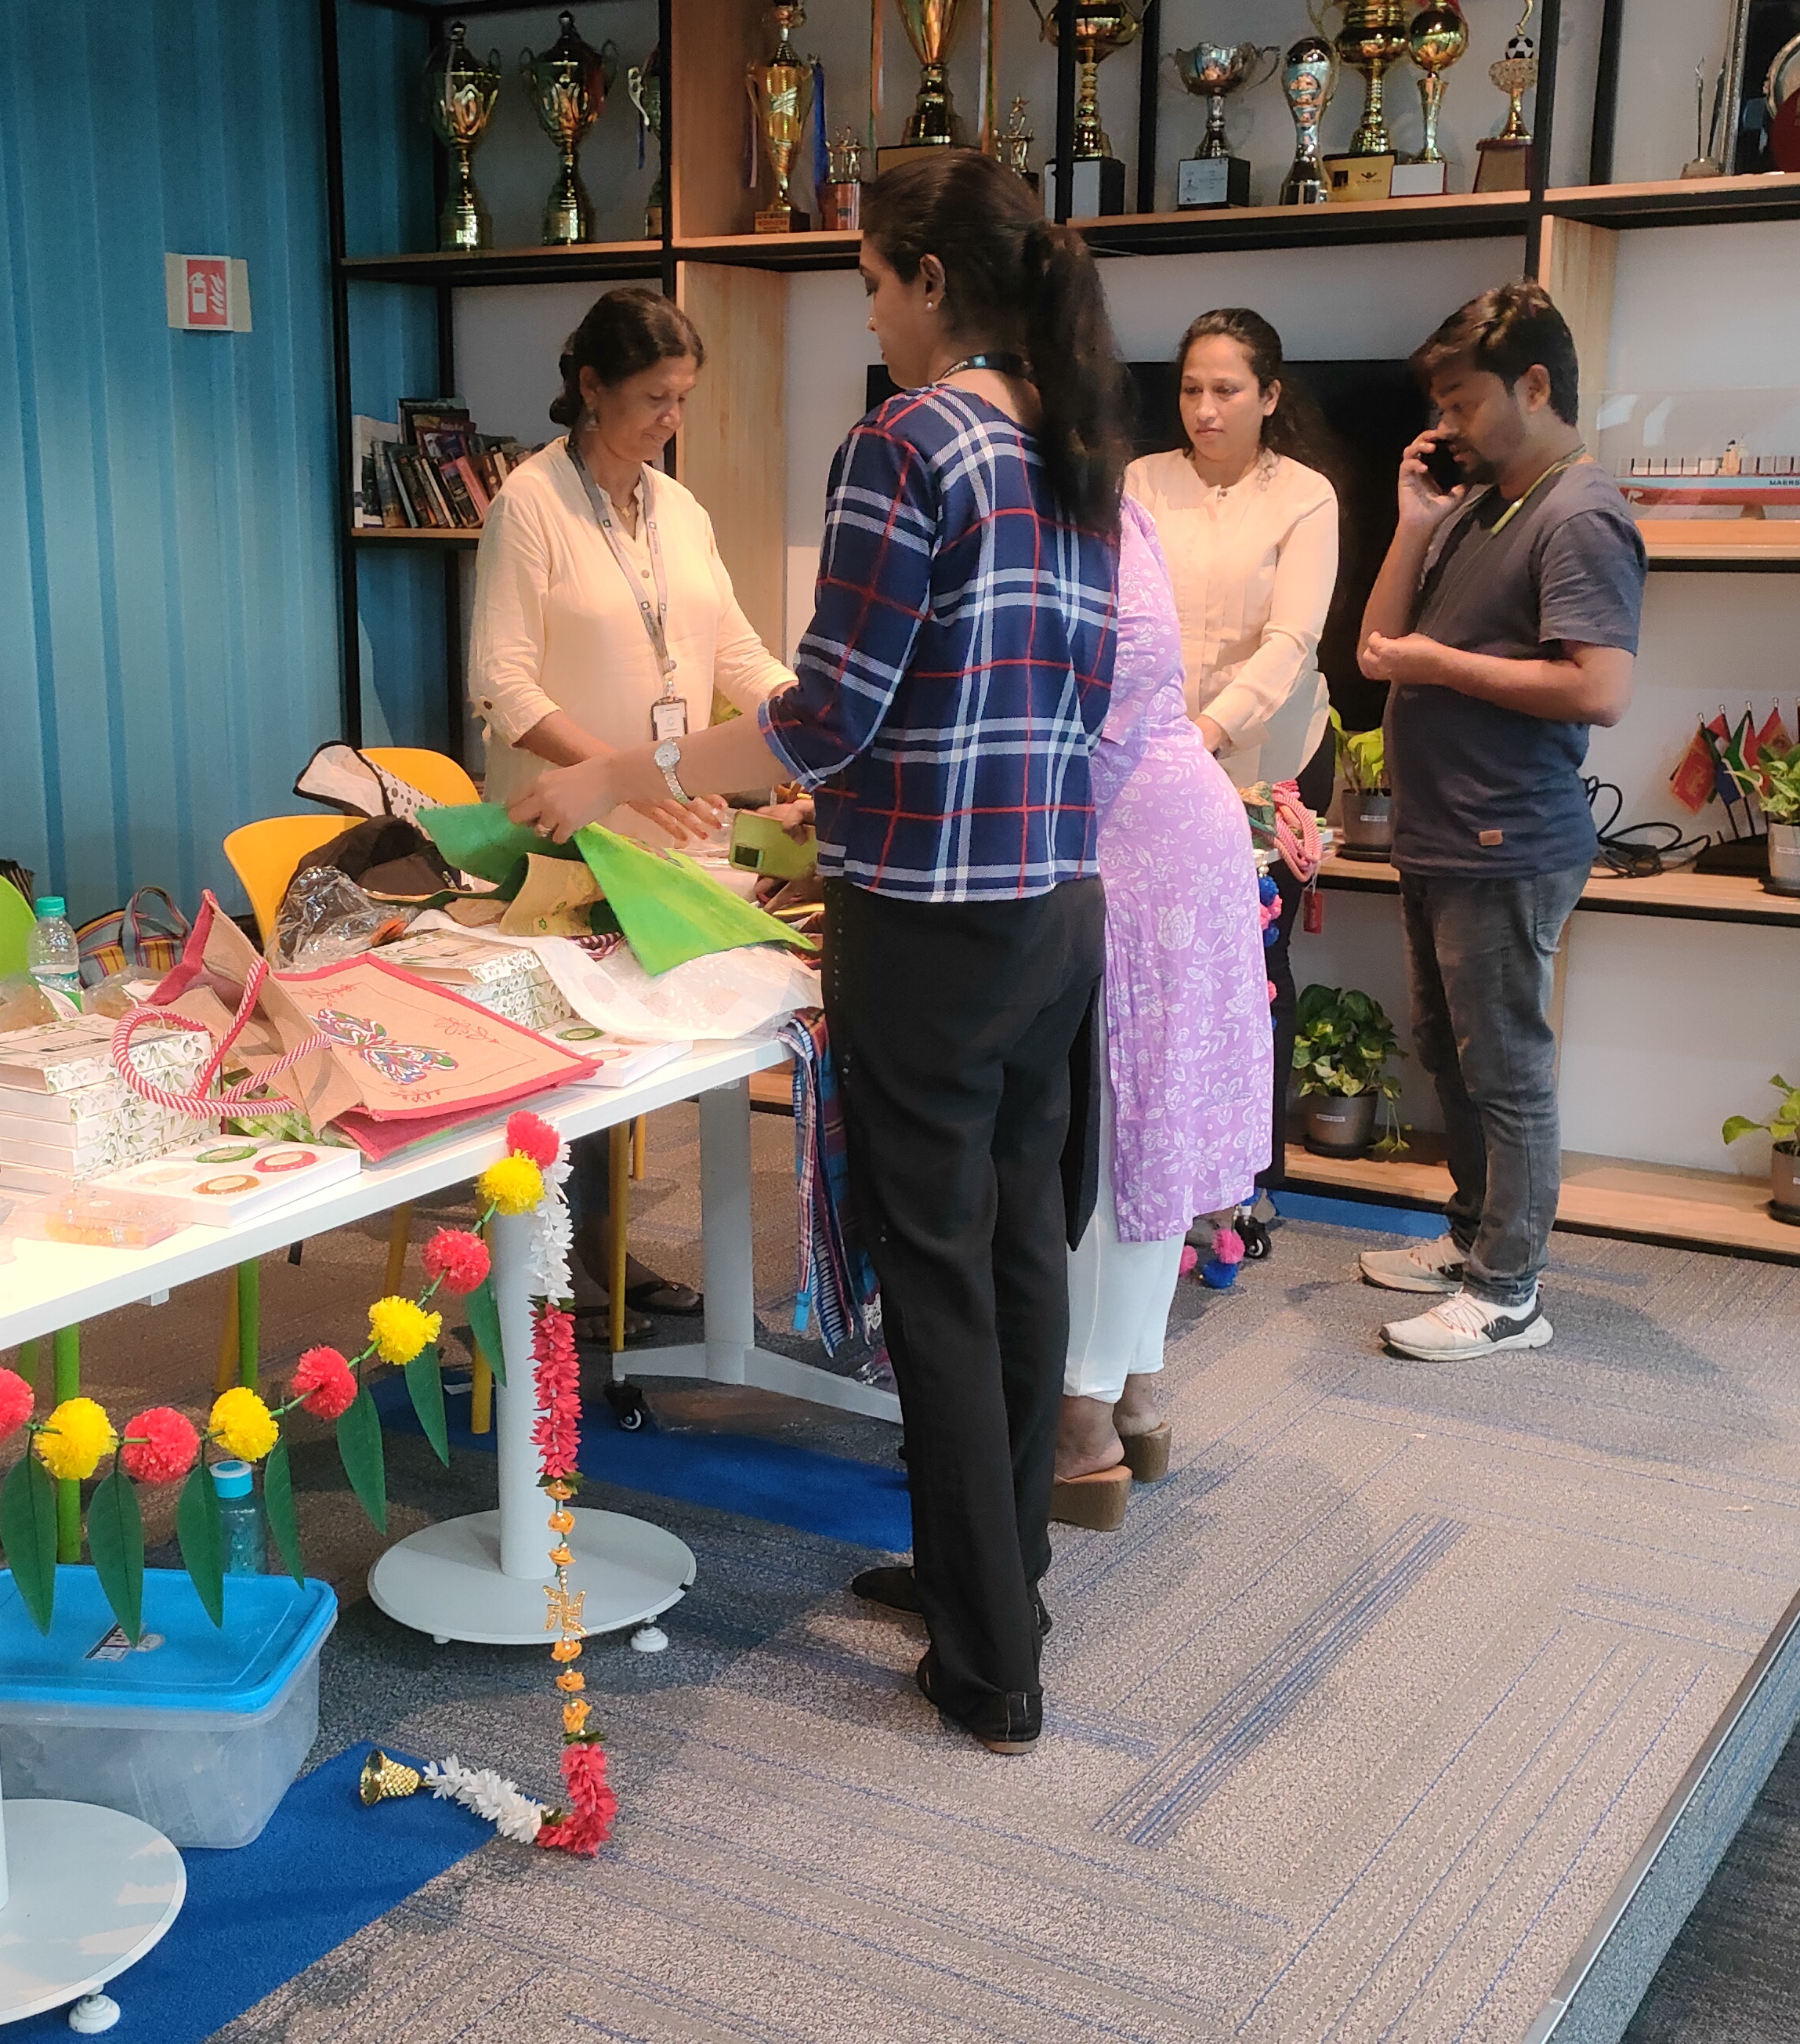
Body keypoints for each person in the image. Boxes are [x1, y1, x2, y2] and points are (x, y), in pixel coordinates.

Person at [508, 150, 1128, 1756]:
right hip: (1053, 906)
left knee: (938, 1275)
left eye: (866, 281)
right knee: (1015, 1252)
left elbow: (825, 714)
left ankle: (988, 1663)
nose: (866, 311)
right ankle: (993, 1578)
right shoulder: (1069, 436)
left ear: (928, 279)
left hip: (929, 923)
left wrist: (621, 774)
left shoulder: (906, 439)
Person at [468, 287, 795, 1332]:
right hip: (563, 826)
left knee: (641, 1054)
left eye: (683, 398)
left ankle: (599, 1252)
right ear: (591, 387)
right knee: (578, 1060)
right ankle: (554, 1266)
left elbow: (734, 652)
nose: (671, 418)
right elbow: (503, 684)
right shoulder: (531, 503)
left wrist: (806, 720)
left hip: (662, 819)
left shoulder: (681, 510)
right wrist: (618, 772)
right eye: (654, 397)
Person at [1346, 283, 1643, 1361]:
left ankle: (1509, 1290)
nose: (1448, 426)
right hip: (1441, 834)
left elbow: (1599, 688)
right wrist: (1413, 524)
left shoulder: (1581, 514)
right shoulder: (1481, 506)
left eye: (1464, 402)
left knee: (1507, 1069)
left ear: (1535, 385)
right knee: (1451, 1052)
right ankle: (1474, 1237)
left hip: (1506, 839)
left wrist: (1442, 666)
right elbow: (1378, 650)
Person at [1051, 494, 1275, 1529]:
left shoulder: (1042, 514)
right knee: (1154, 1130)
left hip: (1128, 840)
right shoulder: (1119, 507)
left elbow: (1073, 718)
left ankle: (1081, 1424)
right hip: (1182, 821)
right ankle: (1134, 1395)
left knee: (1115, 1138)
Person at [1123, 308, 1343, 1138]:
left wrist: (1208, 732)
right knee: (1155, 957)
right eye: (1190, 390)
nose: (1204, 410)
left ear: (1269, 396)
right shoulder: (1140, 483)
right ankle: (1166, 1152)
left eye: (1226, 390)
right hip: (1152, 761)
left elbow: (1292, 641)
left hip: (1267, 758)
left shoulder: (1304, 496)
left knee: (1254, 956)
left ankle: (1253, 1172)